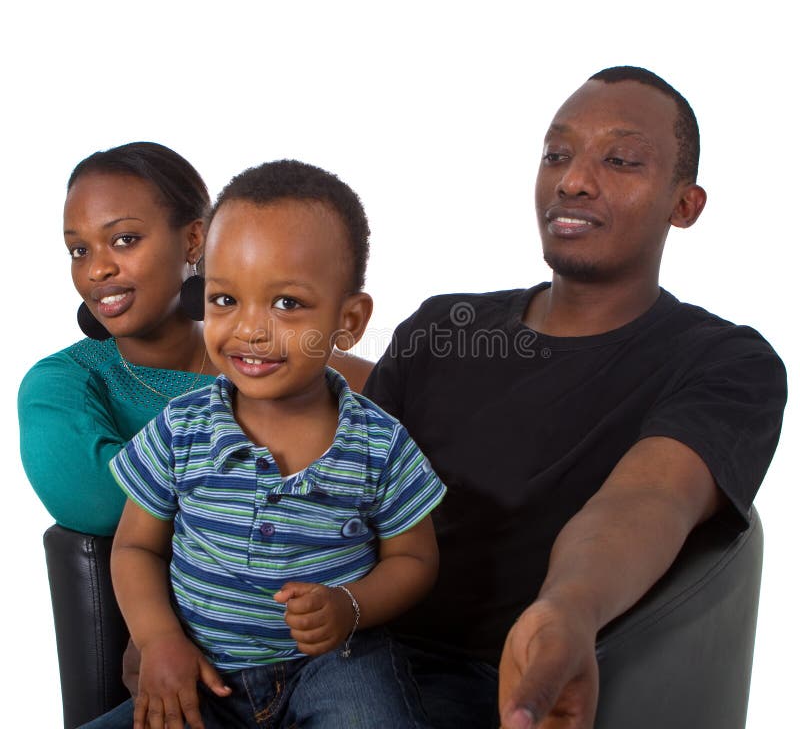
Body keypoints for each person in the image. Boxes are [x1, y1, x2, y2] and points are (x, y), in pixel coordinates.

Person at [361, 66, 788, 728]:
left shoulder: (722, 362)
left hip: (479, 685)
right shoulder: (445, 326)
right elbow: (339, 442)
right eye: (556, 154)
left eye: (619, 160)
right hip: (332, 651)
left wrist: (568, 609)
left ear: (685, 206)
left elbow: (647, 499)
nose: (573, 180)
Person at [105, 160, 446, 728]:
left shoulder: (378, 442)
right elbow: (134, 548)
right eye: (224, 300)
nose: (250, 330)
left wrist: (350, 606)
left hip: (337, 665)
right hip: (204, 671)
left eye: (286, 303)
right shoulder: (182, 428)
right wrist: (159, 639)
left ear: (350, 320)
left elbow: (415, 558)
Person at [19, 141, 216, 536]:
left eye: (124, 239)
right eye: (78, 250)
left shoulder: (271, 358)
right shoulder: (60, 385)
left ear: (193, 240)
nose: (96, 270)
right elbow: (101, 505)